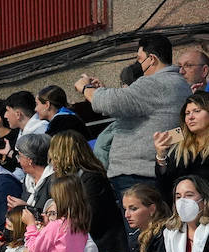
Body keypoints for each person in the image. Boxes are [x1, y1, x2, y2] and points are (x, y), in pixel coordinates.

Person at [77, 34, 191, 197]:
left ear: (151, 59)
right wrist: (104, 90)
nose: (138, 64)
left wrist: (85, 88)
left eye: (140, 58)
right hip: (155, 170)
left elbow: (107, 103)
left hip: (137, 174)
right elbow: (131, 104)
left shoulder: (153, 83)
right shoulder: (180, 84)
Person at [155, 92, 209, 198]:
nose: (191, 117)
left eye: (197, 111)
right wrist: (161, 156)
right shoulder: (178, 147)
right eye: (187, 113)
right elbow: (165, 185)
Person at [162, 175, 209, 252]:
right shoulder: (170, 234)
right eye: (178, 197)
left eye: (189, 195)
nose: (182, 201)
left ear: (204, 200)